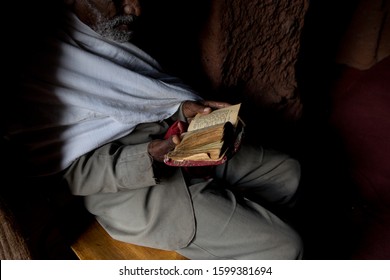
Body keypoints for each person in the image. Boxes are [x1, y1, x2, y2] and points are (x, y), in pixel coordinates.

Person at [4, 0, 303, 259]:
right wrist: (150, 154)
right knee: (286, 249)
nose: (135, 8)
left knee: (289, 174)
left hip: (178, 138)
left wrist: (183, 109)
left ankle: (237, 224)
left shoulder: (102, 32)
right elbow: (73, 176)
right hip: (132, 188)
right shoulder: (35, 71)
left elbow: (144, 99)